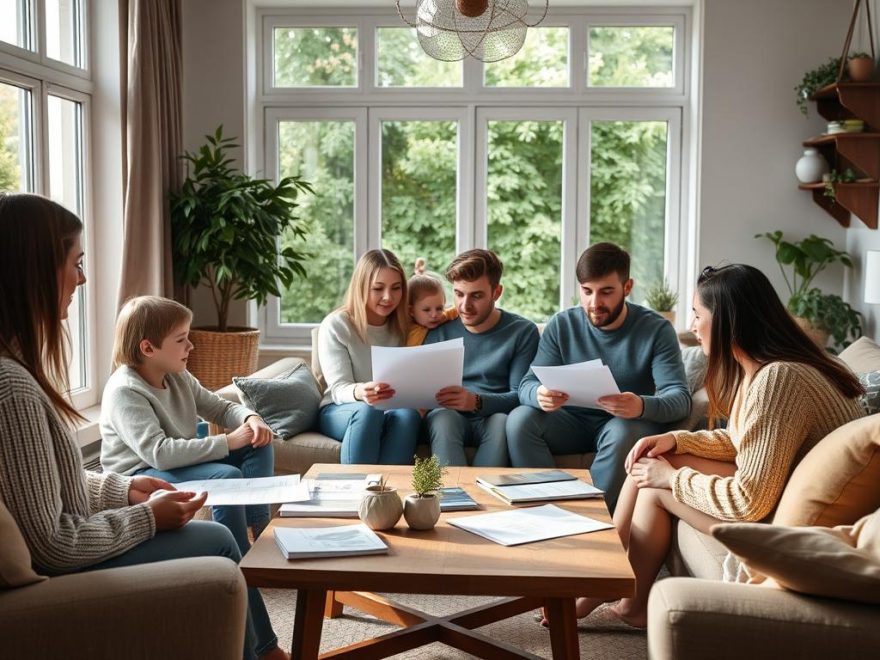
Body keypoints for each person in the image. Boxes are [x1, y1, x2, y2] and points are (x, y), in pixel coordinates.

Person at [0, 193, 287, 660]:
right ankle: (264, 652)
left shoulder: (19, 372)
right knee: (215, 537)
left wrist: (120, 491)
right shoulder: (12, 386)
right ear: (32, 271)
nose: (83, 277)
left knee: (222, 518)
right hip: (60, 574)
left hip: (115, 500)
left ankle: (264, 640)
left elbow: (38, 488)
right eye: (75, 262)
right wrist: (146, 516)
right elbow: (52, 546)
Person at [569, 263, 864, 628]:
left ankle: (617, 592)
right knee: (658, 456)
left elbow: (749, 501)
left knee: (656, 481)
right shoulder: (764, 369)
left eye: (697, 314)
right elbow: (744, 441)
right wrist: (674, 439)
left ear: (728, 321)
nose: (692, 326)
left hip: (795, 527)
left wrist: (670, 479)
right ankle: (607, 581)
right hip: (780, 493)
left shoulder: (779, 378)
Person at [507, 243, 691, 513]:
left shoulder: (656, 330)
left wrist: (640, 405)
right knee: (519, 420)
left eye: (606, 292)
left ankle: (591, 517)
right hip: (570, 422)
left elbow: (680, 399)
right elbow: (525, 385)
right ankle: (545, 509)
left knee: (622, 431)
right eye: (587, 291)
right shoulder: (562, 324)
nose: (594, 303)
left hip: (625, 425)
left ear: (627, 288)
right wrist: (539, 394)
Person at [100, 295, 275, 556]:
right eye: (181, 339)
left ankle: (259, 529)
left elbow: (220, 407)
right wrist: (227, 442)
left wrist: (251, 419)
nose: (191, 346)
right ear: (148, 348)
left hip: (176, 461)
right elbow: (159, 453)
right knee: (227, 477)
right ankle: (239, 557)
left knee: (258, 441)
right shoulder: (125, 391)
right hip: (140, 473)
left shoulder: (177, 374)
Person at [423, 249, 539, 466]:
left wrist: (475, 401)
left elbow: (520, 395)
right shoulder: (439, 332)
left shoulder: (522, 332)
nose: (465, 306)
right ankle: (452, 497)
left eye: (476, 296)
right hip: (448, 416)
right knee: (443, 418)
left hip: (494, 415)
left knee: (500, 422)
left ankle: (485, 496)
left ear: (497, 292)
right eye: (459, 294)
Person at [317, 249, 421, 464]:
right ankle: (357, 492)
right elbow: (337, 389)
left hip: (389, 409)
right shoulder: (337, 325)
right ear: (361, 287)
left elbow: (445, 312)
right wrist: (360, 391)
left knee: (409, 416)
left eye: (396, 288)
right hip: (341, 408)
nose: (388, 297)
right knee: (369, 410)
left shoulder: (405, 326)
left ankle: (389, 492)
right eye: (378, 289)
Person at [406, 260, 458, 346]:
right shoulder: (406, 329)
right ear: (411, 311)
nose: (434, 315)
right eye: (427, 310)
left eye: (439, 308)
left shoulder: (442, 317)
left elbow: (454, 311)